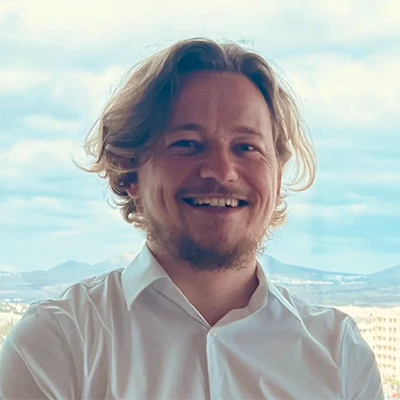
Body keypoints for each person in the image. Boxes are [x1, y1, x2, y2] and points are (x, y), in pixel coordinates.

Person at [0, 38, 383, 399]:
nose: (222, 171)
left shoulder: (339, 354)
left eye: (247, 147)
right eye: (187, 144)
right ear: (130, 172)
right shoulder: (59, 343)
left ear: (278, 179)